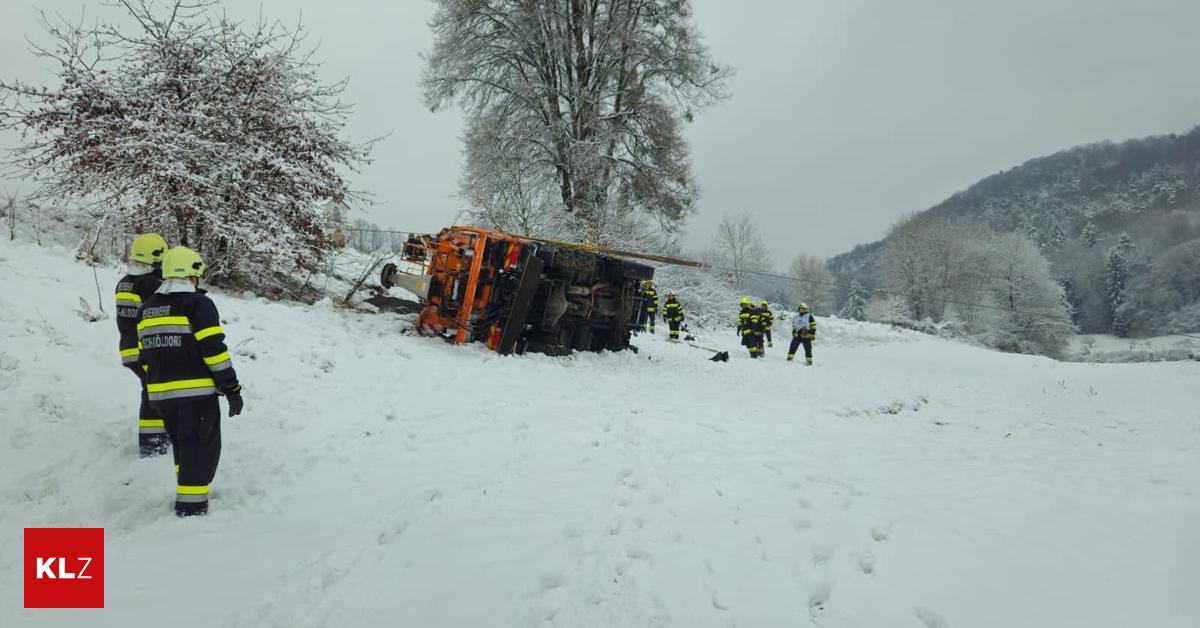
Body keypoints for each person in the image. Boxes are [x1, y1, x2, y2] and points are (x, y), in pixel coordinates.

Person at [138, 246, 243, 516]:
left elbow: (145, 354)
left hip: (161, 397)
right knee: (200, 450)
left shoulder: (148, 308)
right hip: (196, 396)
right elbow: (213, 349)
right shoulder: (198, 304)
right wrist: (231, 387)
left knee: (184, 449)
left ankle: (188, 492)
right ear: (192, 275)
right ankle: (192, 511)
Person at [115, 233, 169, 457]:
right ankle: (152, 445)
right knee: (153, 394)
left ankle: (155, 441)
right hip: (145, 351)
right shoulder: (150, 284)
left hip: (129, 350)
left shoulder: (125, 282)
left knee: (150, 392)